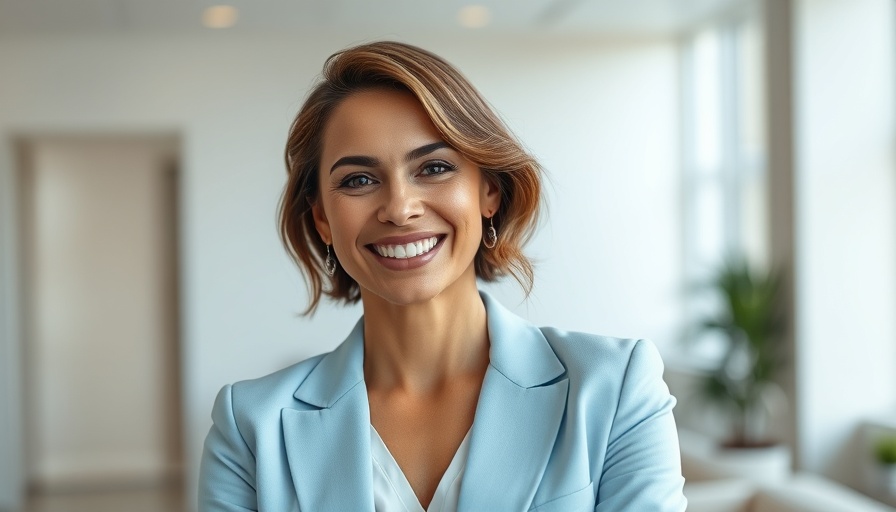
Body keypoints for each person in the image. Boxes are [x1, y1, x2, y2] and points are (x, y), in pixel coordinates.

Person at [199, 41, 687, 512]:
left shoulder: (614, 388)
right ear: (323, 218)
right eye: (358, 180)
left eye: (433, 168)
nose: (399, 208)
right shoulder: (250, 427)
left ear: (489, 192)